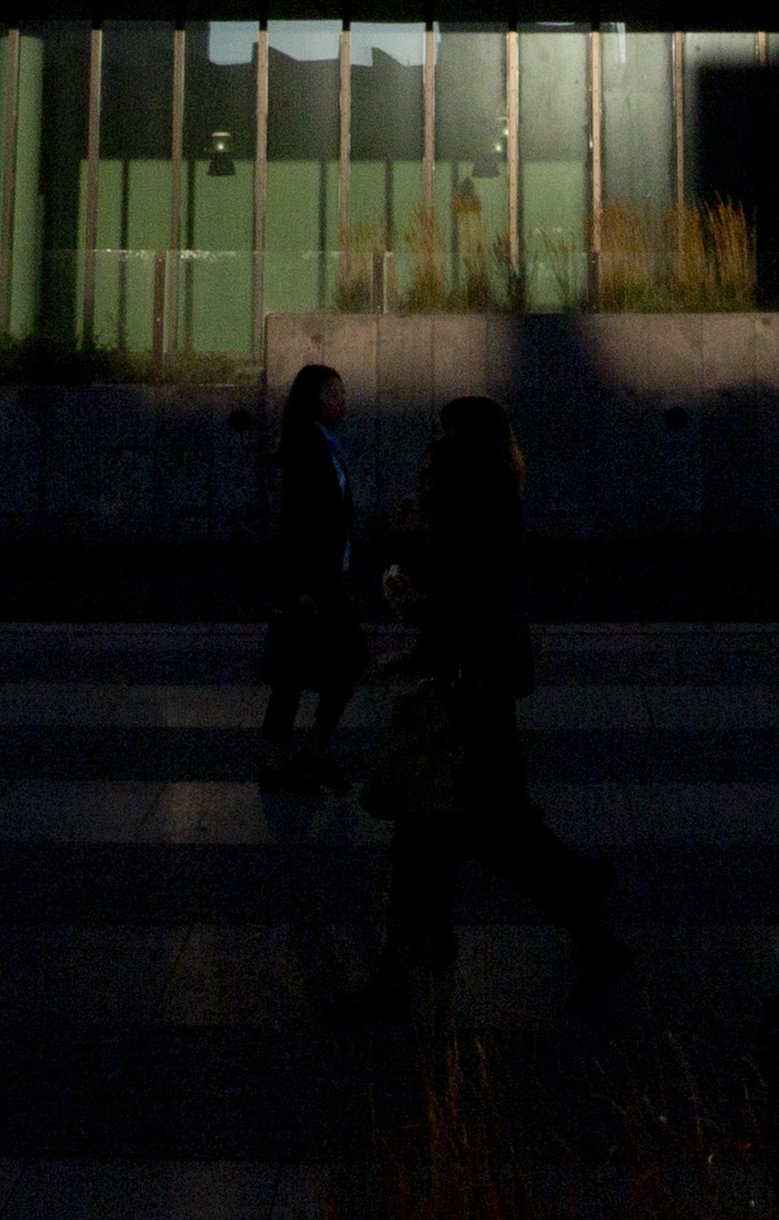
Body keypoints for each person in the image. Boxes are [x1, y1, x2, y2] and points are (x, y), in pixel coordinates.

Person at [335, 393, 630, 1019]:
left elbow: (458, 602)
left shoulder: (467, 511)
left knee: (453, 832)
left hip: (468, 698)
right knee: (473, 832)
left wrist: (408, 595)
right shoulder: (497, 498)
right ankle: (558, 911)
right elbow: (477, 602)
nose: (427, 466)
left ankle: (407, 966)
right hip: (483, 686)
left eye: (437, 452)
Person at [258, 363, 366, 787]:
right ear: (313, 402)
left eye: (341, 393)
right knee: (302, 670)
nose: (342, 401)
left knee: (305, 669)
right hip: (312, 585)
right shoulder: (309, 448)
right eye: (332, 394)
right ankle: (288, 759)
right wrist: (298, 588)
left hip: (323, 581)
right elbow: (297, 524)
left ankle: (300, 756)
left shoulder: (325, 445)